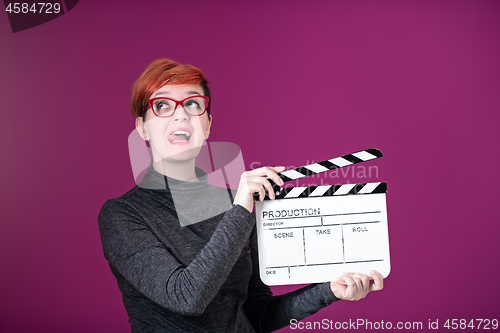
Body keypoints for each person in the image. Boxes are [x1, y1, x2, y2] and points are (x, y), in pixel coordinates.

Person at [98, 59, 384, 333]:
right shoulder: (122, 214)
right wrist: (241, 208)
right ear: (142, 128)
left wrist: (330, 290)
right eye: (162, 105)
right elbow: (186, 298)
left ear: (207, 124)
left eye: (193, 103)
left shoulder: (236, 205)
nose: (181, 114)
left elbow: (257, 314)